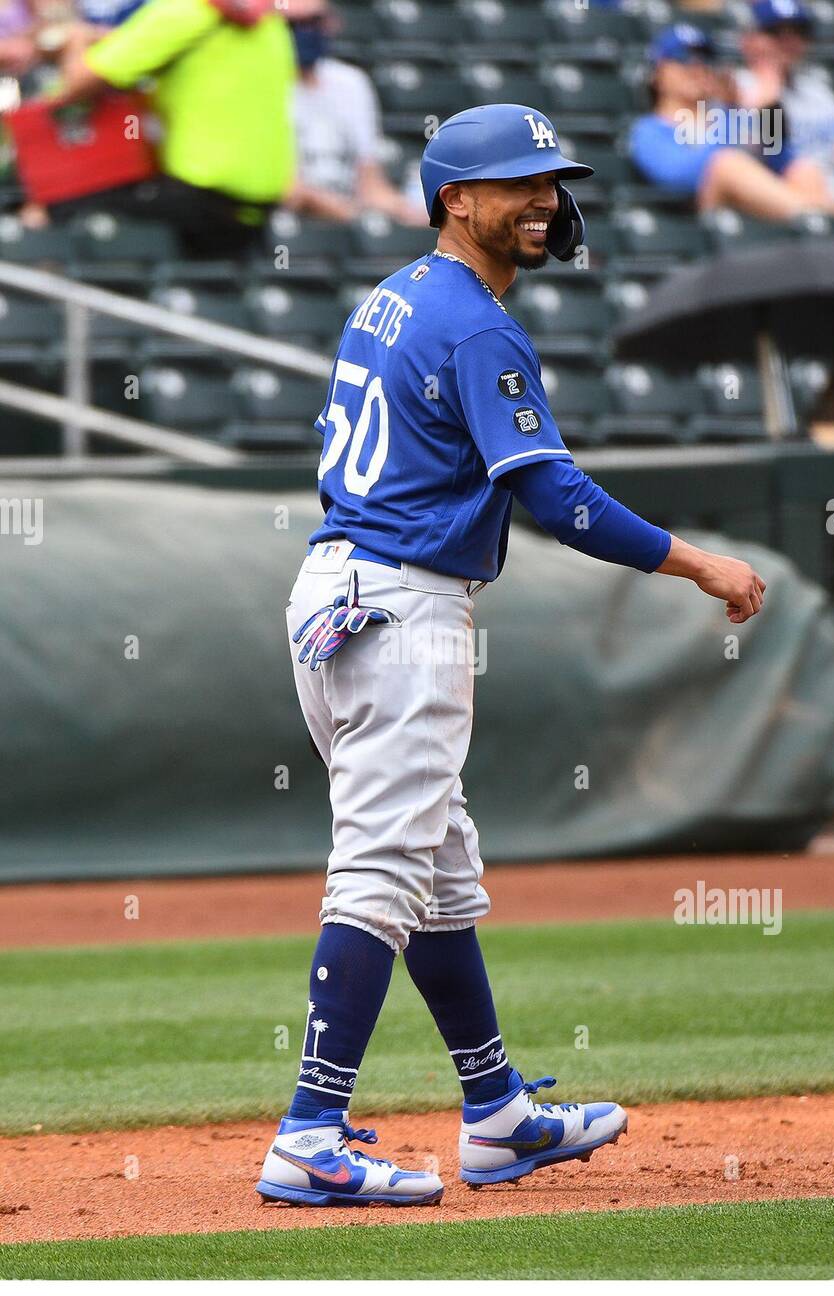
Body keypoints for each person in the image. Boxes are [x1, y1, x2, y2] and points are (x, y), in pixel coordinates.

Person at [256, 103, 766, 1208]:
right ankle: (308, 1131)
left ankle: (494, 1115)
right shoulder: (477, 323)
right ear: (455, 200)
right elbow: (555, 499)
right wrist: (697, 563)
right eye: (517, 183)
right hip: (400, 607)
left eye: (551, 179)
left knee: (437, 871)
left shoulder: (398, 292)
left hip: (345, 592)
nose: (543, 198)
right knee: (385, 868)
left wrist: (539, 235)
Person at [48, 0, 294, 259]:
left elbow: (76, 83)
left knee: (59, 208)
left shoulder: (186, 10)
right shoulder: (272, 24)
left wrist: (76, 39)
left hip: (198, 199)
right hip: (258, 208)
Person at [630, 23, 834, 219]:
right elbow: (680, 179)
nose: (696, 67)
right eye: (682, 58)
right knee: (726, 165)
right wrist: (735, 115)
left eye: (703, 58)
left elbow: (780, 158)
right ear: (657, 72)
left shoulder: (730, 115)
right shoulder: (649, 129)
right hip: (703, 224)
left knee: (804, 169)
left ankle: (824, 225)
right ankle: (823, 216)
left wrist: (769, 110)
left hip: (763, 212)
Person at [283, 0, 426, 225]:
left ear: (331, 23)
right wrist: (346, 211)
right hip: (292, 222)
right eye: (292, 25)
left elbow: (369, 182)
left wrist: (411, 212)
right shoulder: (259, 86)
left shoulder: (351, 83)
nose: (304, 33)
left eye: (313, 22)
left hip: (349, 215)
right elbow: (285, 188)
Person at [737, 0, 834, 216]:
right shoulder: (736, 89)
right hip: (786, 211)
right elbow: (753, 163)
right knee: (805, 173)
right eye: (774, 31)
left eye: (798, 32)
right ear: (748, 40)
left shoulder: (821, 95)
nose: (788, 41)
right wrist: (769, 106)